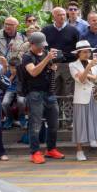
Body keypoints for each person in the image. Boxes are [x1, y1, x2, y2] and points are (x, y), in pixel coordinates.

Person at [21, 32, 64, 164]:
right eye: (39, 45)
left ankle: (51, 149)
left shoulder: (45, 53)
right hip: (35, 94)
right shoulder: (27, 57)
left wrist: (52, 67)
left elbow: (49, 67)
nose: (41, 48)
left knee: (54, 123)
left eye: (43, 45)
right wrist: (47, 60)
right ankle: (35, 152)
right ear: (31, 44)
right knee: (35, 124)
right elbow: (33, 72)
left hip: (49, 92)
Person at [69, 41, 97, 161]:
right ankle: (79, 151)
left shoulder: (94, 64)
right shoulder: (73, 65)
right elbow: (80, 80)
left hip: (94, 96)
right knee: (80, 124)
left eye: (89, 51)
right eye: (84, 52)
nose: (87, 54)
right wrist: (88, 68)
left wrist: (90, 75)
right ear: (78, 53)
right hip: (81, 98)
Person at [41, 7, 80, 98]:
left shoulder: (73, 31)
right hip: (52, 64)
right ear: (53, 16)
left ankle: (67, 112)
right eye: (59, 15)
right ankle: (55, 111)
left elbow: (78, 49)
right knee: (53, 91)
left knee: (69, 92)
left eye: (63, 14)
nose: (62, 17)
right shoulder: (46, 30)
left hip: (68, 64)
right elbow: (42, 48)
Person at [1, 58, 26, 129]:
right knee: (4, 103)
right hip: (10, 89)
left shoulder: (22, 71)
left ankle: (21, 116)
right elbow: (6, 83)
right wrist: (12, 76)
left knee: (21, 101)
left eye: (14, 68)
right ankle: (9, 118)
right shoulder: (8, 72)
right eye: (10, 68)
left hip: (20, 90)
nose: (12, 69)